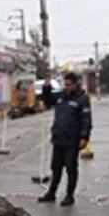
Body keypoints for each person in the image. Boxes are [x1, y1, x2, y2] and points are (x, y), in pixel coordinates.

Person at [39, 72, 92, 206]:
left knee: (71, 168)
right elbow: (47, 100)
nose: (66, 87)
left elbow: (86, 120)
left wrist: (84, 137)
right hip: (58, 138)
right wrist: (46, 86)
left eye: (69, 85)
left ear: (75, 84)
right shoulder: (61, 96)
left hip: (72, 140)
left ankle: (69, 195)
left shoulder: (82, 99)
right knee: (55, 168)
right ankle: (51, 193)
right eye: (65, 84)